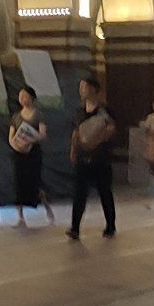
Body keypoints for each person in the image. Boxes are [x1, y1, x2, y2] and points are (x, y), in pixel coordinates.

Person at [67, 75, 118, 240]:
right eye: (80, 87)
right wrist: (73, 150)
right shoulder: (79, 112)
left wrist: (95, 142)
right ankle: (75, 227)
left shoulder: (105, 111)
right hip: (82, 159)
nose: (81, 91)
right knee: (79, 193)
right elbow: (75, 133)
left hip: (101, 158)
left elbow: (111, 130)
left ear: (94, 89)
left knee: (105, 192)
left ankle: (110, 226)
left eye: (84, 87)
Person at [8, 83, 51, 225]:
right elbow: (11, 137)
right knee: (19, 183)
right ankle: (20, 217)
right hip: (18, 154)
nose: (22, 98)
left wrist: (29, 140)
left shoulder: (39, 115)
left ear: (32, 98)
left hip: (33, 153)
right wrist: (16, 146)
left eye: (25, 96)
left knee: (34, 183)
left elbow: (42, 134)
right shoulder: (16, 116)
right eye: (20, 96)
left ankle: (47, 207)